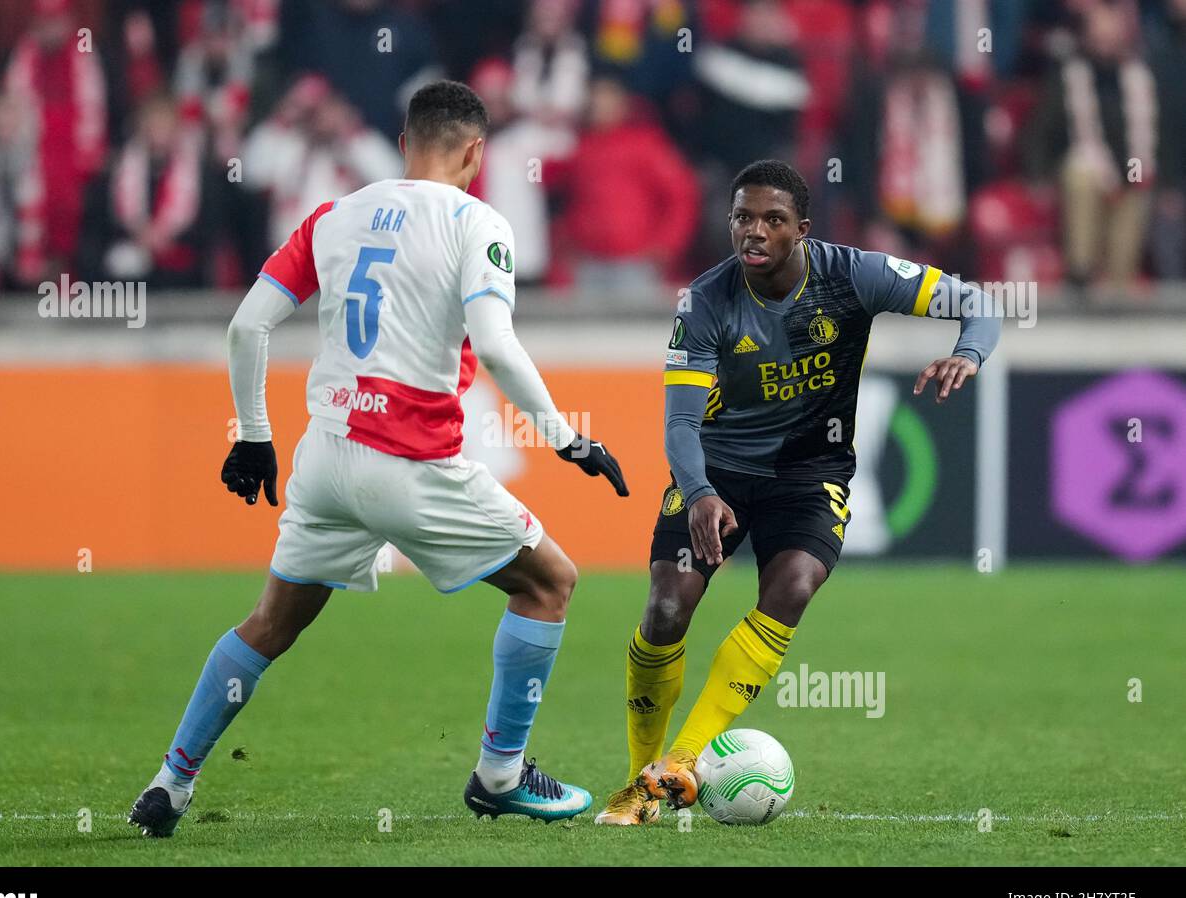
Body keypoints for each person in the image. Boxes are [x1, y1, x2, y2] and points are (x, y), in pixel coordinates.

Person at [128, 80, 628, 838]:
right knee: (550, 582)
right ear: (475, 152)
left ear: (402, 144)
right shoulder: (477, 222)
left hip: (324, 459)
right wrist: (567, 437)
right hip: (415, 463)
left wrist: (253, 433)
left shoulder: (335, 215)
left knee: (269, 623)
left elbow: (246, 326)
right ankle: (499, 775)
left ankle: (171, 781)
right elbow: (494, 343)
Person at [594, 159, 1000, 825]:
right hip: (715, 473)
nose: (754, 231)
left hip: (810, 473)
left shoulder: (853, 275)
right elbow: (680, 422)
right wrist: (697, 492)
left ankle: (683, 763)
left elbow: (977, 303)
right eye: (743, 218)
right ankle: (636, 780)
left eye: (772, 220)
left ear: (802, 230)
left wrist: (970, 353)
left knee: (794, 584)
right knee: (666, 610)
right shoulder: (705, 302)